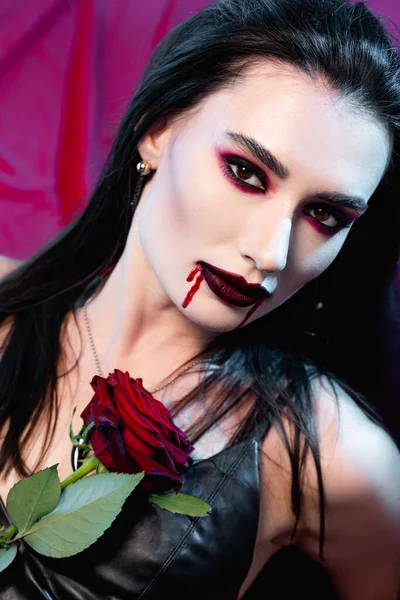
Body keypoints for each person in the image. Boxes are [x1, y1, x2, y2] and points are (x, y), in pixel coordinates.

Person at [0, 0, 400, 598]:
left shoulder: (340, 456)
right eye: (245, 172)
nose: (271, 251)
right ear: (158, 130)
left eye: (324, 215)